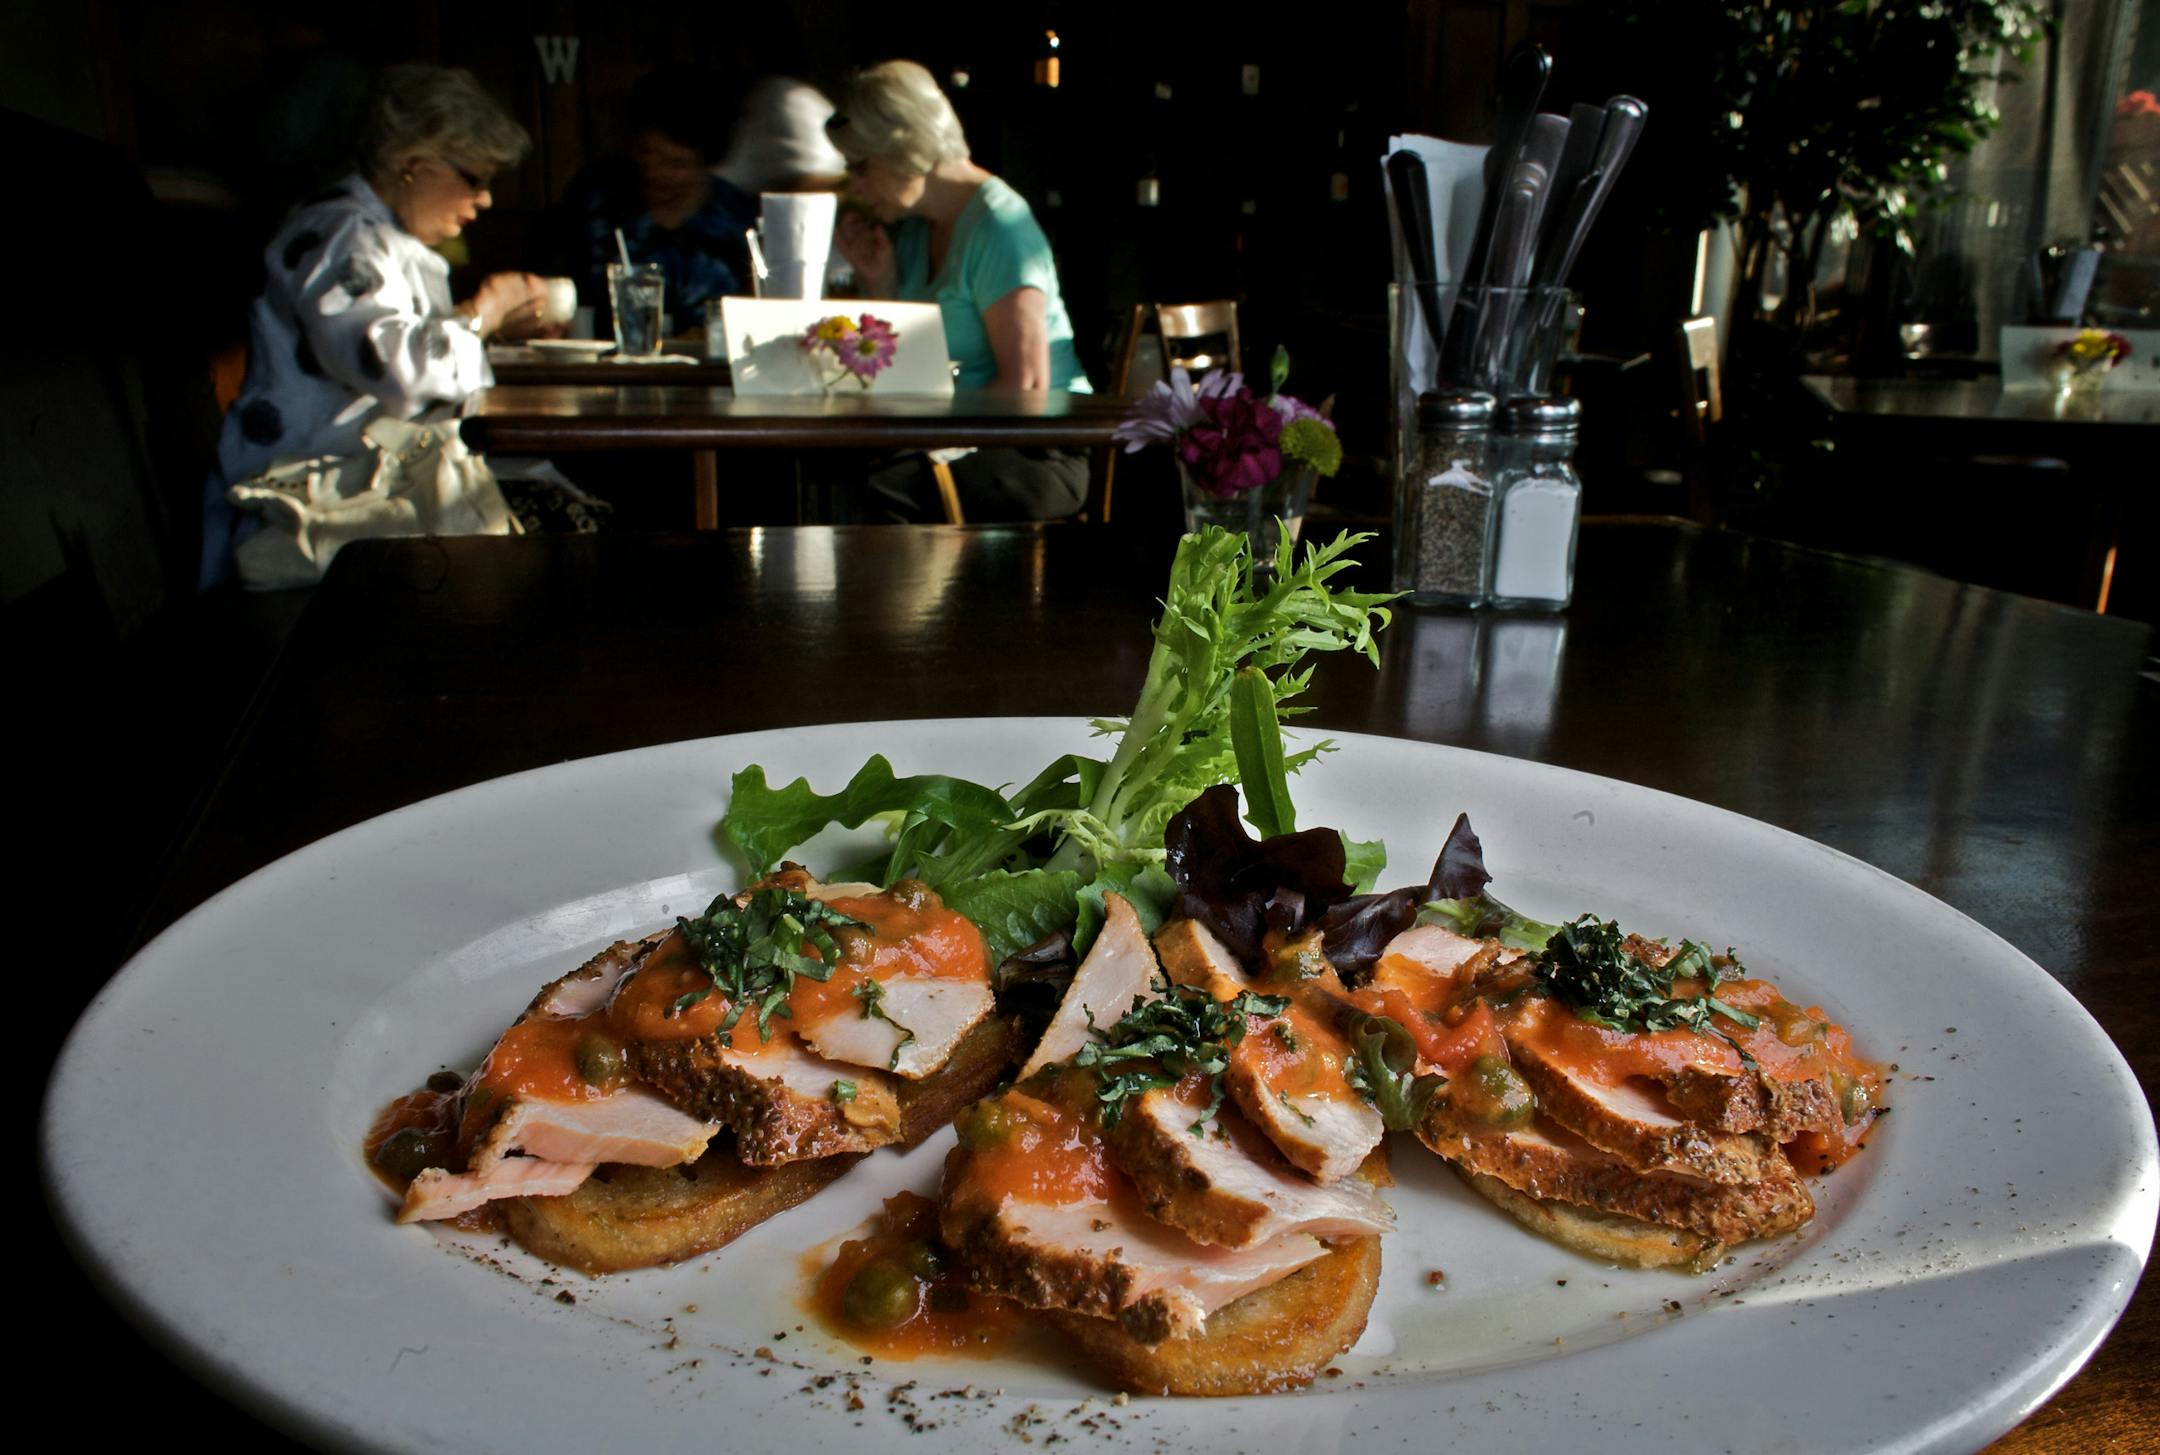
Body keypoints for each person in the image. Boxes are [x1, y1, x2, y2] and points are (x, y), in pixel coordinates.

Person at [201, 64, 550, 587]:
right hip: (307, 502)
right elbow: (393, 367)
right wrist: (483, 312)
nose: (486, 200)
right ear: (411, 163)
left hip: (360, 482)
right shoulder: (342, 234)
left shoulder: (383, 235)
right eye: (475, 179)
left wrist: (487, 327)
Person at [827, 59, 1092, 522]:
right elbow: (907, 364)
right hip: (954, 442)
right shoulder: (911, 230)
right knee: (821, 477)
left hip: (1036, 450)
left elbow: (1026, 387)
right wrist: (879, 279)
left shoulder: (1000, 226)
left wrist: (925, 438)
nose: (855, 185)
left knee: (868, 493)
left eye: (861, 166)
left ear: (902, 149)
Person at [556, 69, 756, 337]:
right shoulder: (596, 203)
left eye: (675, 164)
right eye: (646, 153)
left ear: (708, 164)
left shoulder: (738, 219)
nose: (654, 171)